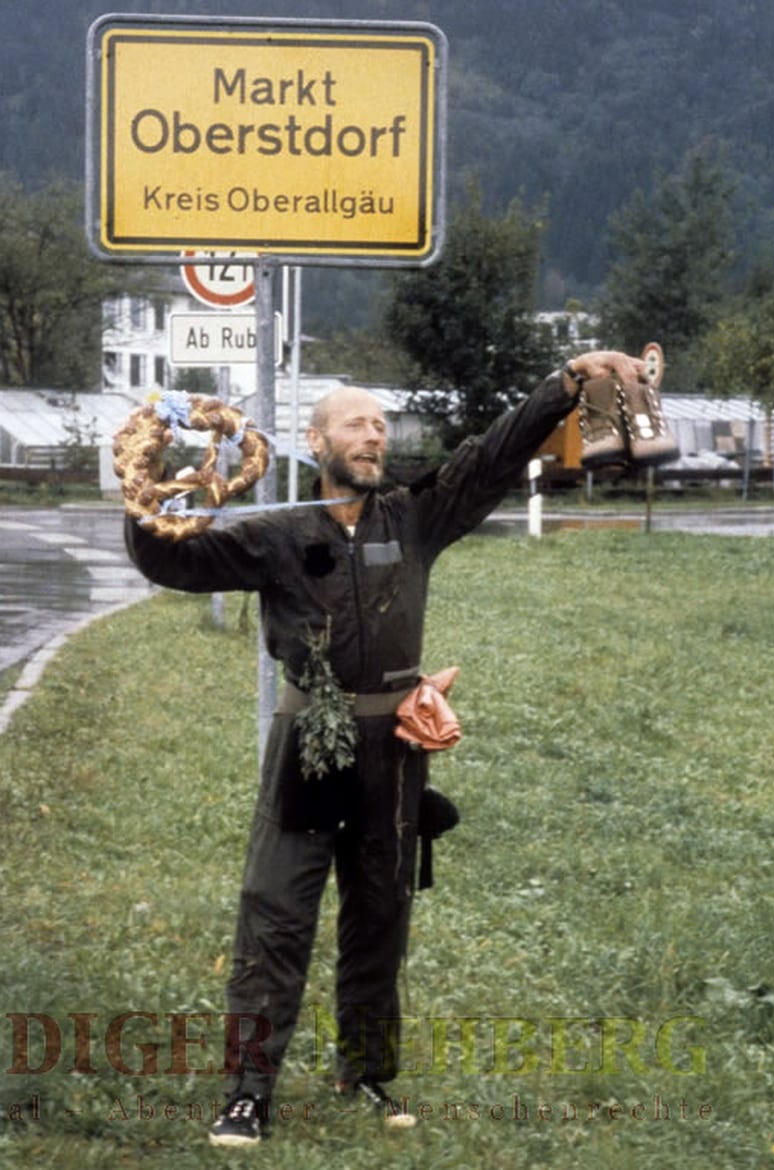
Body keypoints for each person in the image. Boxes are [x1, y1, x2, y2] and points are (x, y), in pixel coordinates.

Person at [124, 350, 646, 1147]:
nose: (373, 437)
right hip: (309, 744)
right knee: (275, 916)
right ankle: (246, 1092)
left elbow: (491, 455)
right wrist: (140, 493)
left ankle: (364, 1070)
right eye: (355, 425)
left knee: (380, 914)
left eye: (379, 425)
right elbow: (170, 559)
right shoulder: (273, 535)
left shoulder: (415, 518)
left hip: (394, 750)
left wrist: (564, 387)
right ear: (316, 441)